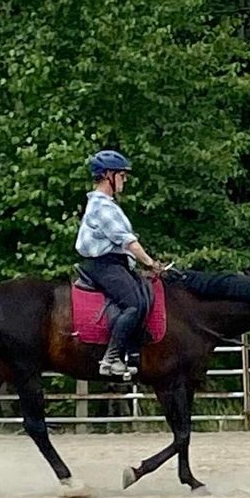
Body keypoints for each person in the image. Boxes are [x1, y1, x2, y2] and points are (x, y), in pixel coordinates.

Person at [75, 149, 163, 376]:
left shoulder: (107, 205)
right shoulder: (102, 206)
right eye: (121, 175)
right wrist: (151, 263)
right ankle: (110, 359)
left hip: (114, 263)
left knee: (142, 298)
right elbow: (128, 242)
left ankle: (132, 355)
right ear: (107, 175)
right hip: (104, 265)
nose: (124, 180)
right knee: (134, 303)